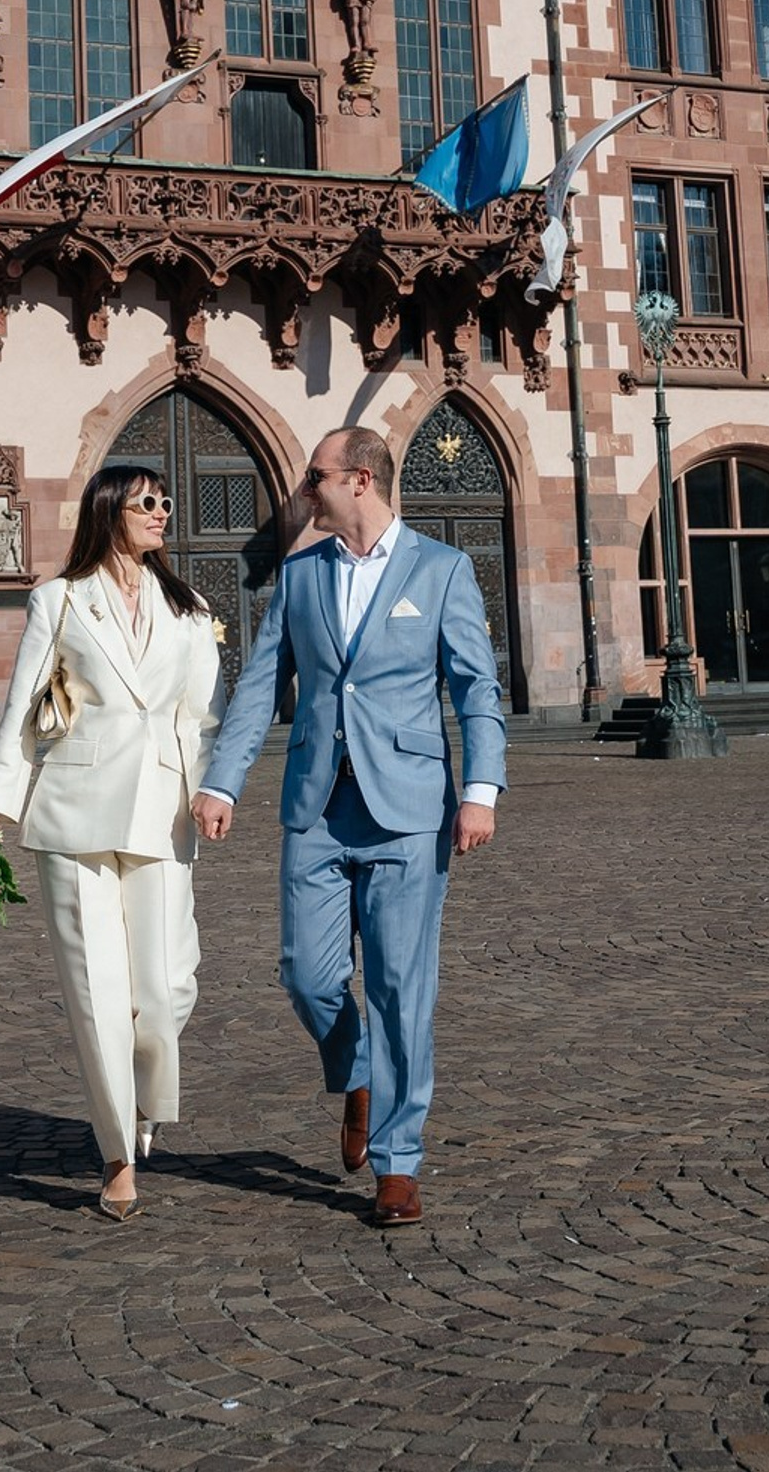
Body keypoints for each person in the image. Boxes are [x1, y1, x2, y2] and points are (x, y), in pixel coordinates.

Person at [193, 425, 505, 1228]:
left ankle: (399, 1164)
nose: (304, 491)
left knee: (402, 989)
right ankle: (356, 1070)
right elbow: (260, 688)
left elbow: (475, 688)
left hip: (410, 808)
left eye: (315, 478)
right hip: (316, 806)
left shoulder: (442, 570)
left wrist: (480, 790)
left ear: (359, 481)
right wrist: (223, 781)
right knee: (306, 973)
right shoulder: (300, 576)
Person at [0, 464, 222, 1220]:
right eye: (148, 500)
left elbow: (203, 713)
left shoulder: (191, 607)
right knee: (97, 993)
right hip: (75, 810)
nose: (162, 510)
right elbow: (25, 703)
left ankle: (143, 1102)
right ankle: (117, 1152)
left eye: (166, 499)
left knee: (167, 985)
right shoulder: (58, 598)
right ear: (110, 509)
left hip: (163, 811)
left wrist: (213, 788)